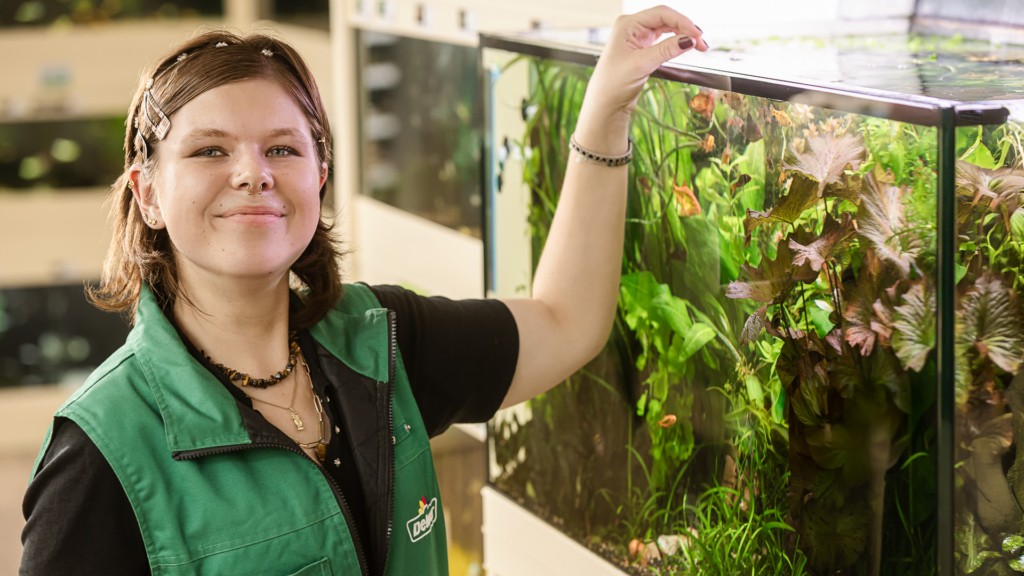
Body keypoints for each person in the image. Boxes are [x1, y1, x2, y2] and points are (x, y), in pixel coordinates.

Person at [20, 6, 707, 575]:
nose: (252, 174)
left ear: (320, 174)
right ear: (148, 194)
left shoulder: (379, 340)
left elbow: (568, 322)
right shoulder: (100, 455)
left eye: (283, 149)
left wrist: (607, 106)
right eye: (210, 151)